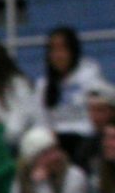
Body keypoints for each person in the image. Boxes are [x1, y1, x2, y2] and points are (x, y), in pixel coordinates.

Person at [39, 26, 110, 163]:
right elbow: (42, 119)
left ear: (73, 50)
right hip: (55, 140)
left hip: (84, 135)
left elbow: (98, 112)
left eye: (62, 49)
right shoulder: (44, 85)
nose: (58, 55)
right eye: (53, 50)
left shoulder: (89, 75)